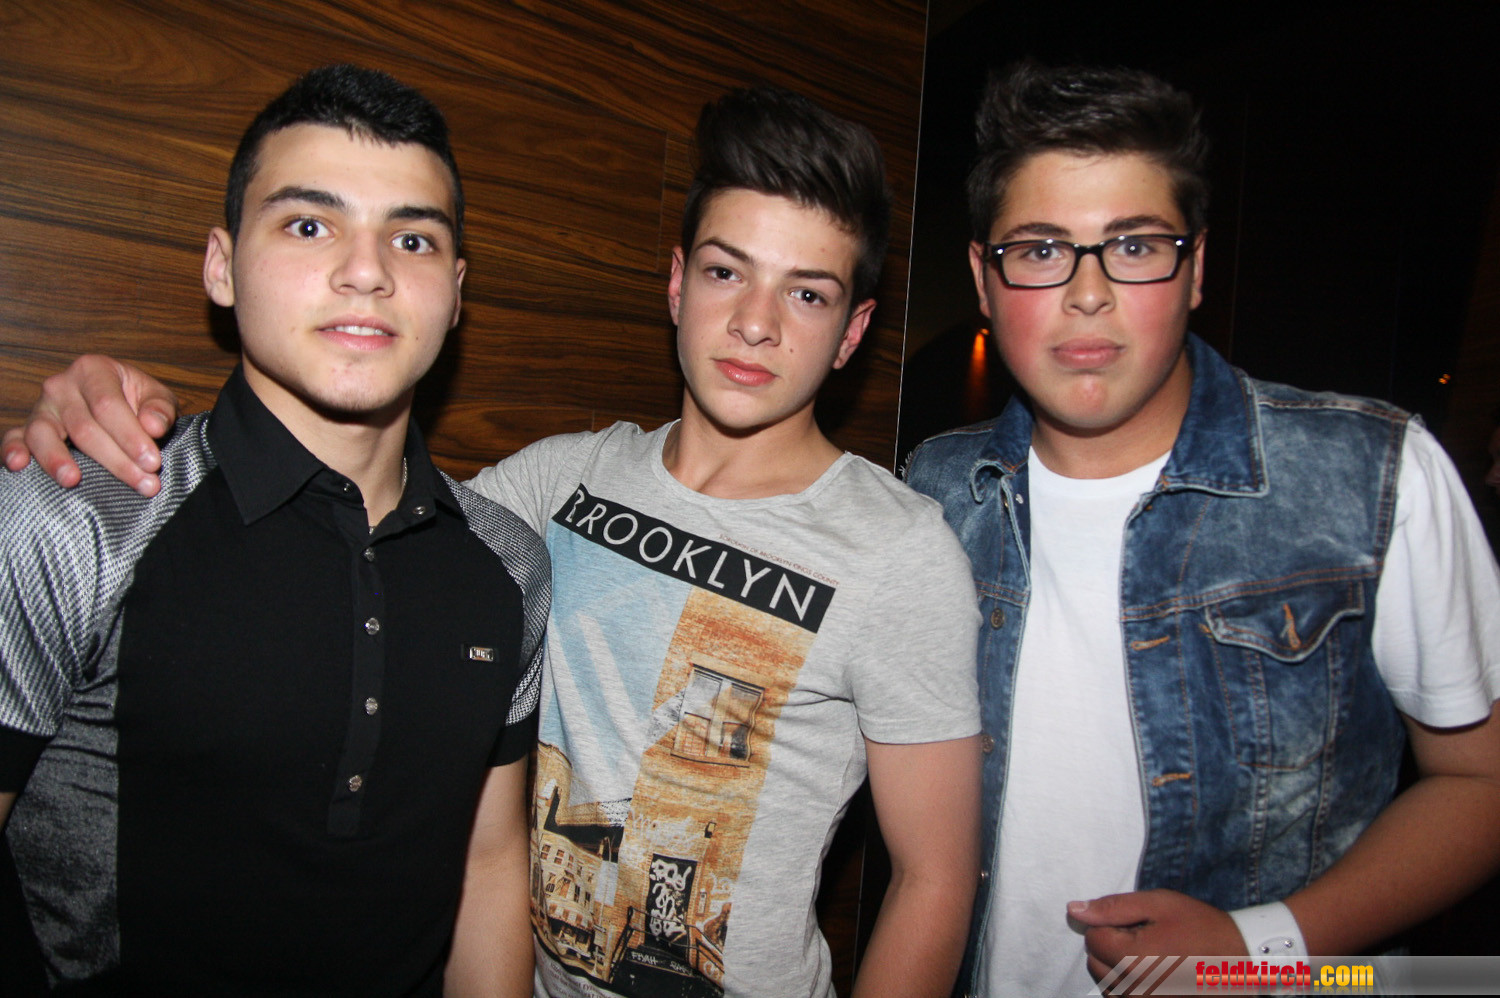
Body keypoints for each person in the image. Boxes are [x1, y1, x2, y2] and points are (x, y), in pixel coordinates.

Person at [2, 86, 984, 997]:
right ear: (678, 284)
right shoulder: (553, 485)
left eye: (807, 294)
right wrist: (108, 412)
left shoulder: (899, 550)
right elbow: (353, 515)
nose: (756, 323)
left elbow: (934, 877)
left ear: (853, 331)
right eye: (727, 271)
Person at [900, 63, 1500, 996]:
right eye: (1042, 249)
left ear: (1196, 270)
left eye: (1135, 245)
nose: (1088, 293)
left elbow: (1481, 785)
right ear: (984, 278)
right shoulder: (936, 490)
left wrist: (1256, 950)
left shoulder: (1372, 476)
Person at [0, 65, 546, 995]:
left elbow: (488, 863)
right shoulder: (80, 516)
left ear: (455, 293)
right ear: (221, 265)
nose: (367, 271)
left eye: (412, 239)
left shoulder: (509, 564)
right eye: (308, 225)